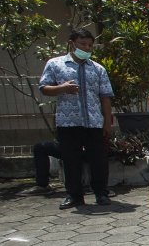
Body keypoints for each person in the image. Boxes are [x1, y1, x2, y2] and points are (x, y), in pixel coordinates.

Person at [38, 28, 115, 209]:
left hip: (94, 121)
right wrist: (62, 88)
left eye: (89, 45)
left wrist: (107, 122)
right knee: (71, 159)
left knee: (99, 160)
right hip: (68, 122)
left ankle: (101, 193)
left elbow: (105, 97)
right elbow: (44, 88)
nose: (86, 48)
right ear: (72, 43)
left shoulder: (98, 69)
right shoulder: (55, 64)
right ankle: (74, 196)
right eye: (82, 44)